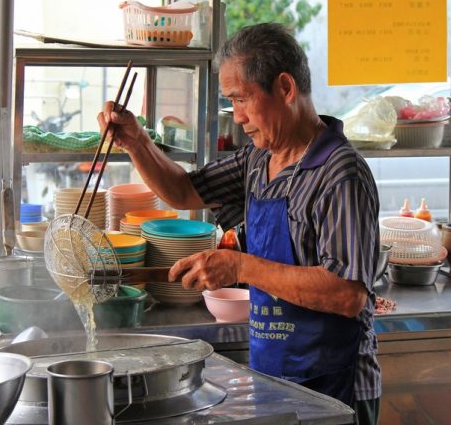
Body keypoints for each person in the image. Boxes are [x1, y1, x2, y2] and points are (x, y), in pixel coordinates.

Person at [98, 22, 381, 424]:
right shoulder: (259, 159)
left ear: (285, 88)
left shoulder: (340, 174)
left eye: (242, 99)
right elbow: (182, 191)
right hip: (275, 374)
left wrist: (240, 266)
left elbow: (346, 293)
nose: (239, 116)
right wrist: (137, 142)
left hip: (338, 387)